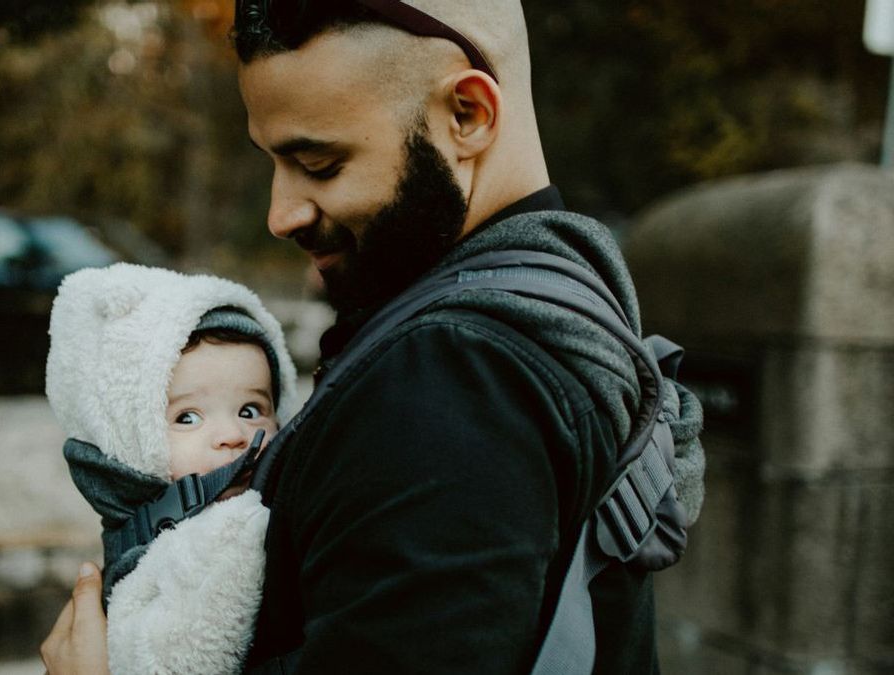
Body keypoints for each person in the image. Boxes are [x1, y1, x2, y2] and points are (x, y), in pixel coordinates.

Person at [43, 2, 706, 673]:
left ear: (468, 115)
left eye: (319, 162)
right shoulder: (569, 291)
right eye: (274, 161)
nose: (282, 213)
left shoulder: (452, 375)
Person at [43, 263, 298, 675]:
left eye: (251, 410)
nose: (233, 434)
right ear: (130, 441)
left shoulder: (241, 537)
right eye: (188, 417)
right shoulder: (142, 533)